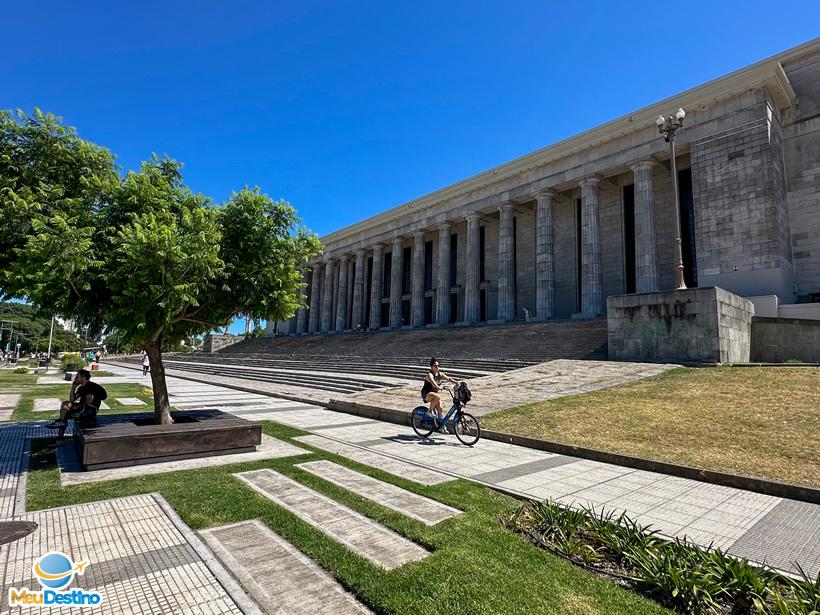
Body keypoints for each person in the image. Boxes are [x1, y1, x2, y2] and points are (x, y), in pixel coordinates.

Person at [47, 369, 107, 439]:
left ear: (84, 378)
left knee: (65, 409)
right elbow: (72, 400)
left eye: (77, 377)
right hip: (84, 409)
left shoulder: (91, 386)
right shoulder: (81, 388)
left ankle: (60, 435)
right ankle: (60, 433)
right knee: (64, 410)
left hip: (90, 411)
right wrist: (73, 387)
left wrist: (74, 406)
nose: (75, 378)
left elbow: (89, 402)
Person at [420, 357, 457, 423]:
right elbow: (432, 382)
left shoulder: (440, 374)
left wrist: (457, 382)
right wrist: (438, 387)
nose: (437, 367)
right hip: (426, 394)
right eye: (435, 366)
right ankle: (429, 411)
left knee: (440, 409)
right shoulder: (429, 374)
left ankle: (441, 426)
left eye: (438, 366)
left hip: (434, 395)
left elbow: (448, 379)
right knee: (438, 396)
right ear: (431, 367)